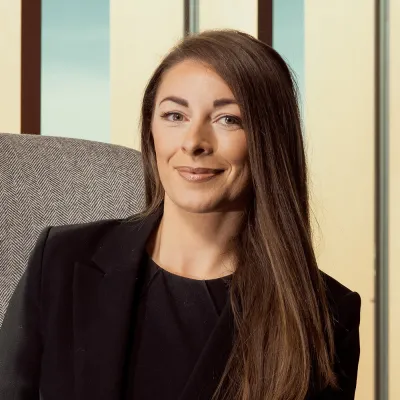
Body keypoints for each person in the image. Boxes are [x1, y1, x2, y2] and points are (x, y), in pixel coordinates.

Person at [0, 29, 361, 400]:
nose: (193, 143)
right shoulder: (61, 259)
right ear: (151, 130)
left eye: (228, 119)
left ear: (270, 139)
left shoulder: (326, 316)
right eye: (175, 115)